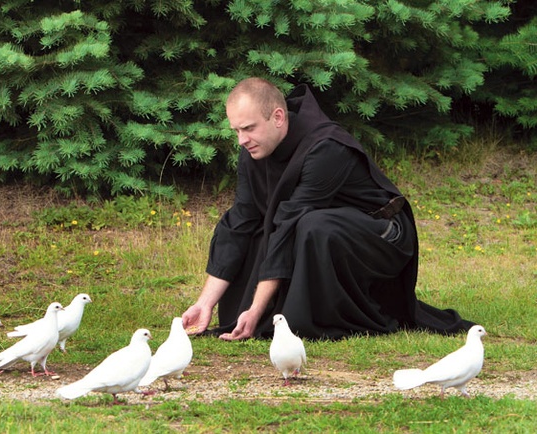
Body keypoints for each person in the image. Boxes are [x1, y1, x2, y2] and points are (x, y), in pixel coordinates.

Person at [181, 77, 473, 341]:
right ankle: (264, 312)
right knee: (244, 222)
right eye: (236, 130)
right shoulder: (253, 149)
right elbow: (241, 222)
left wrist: (257, 309)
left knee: (311, 226)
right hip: (323, 229)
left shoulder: (325, 148)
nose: (241, 140)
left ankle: (329, 315)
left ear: (278, 117)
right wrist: (204, 304)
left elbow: (290, 224)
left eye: (248, 128)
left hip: (383, 237)